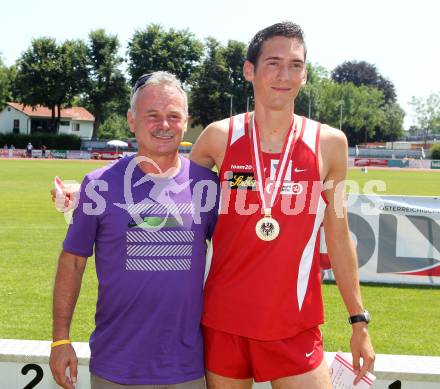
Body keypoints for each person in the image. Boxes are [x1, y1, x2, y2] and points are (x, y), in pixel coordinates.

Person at [189, 22, 375, 389]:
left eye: (294, 65)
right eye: (272, 63)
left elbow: (338, 237)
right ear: (249, 70)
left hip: (294, 325)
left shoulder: (329, 144)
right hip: (223, 321)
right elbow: (166, 191)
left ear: (305, 74)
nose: (283, 75)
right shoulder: (218, 137)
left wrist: (359, 322)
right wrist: (86, 191)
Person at [49, 71, 218, 389]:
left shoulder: (208, 186)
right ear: (131, 119)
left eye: (173, 116)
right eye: (152, 115)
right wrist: (60, 340)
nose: (163, 125)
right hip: (117, 367)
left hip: (188, 367)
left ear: (186, 121)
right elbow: (72, 261)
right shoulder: (99, 185)